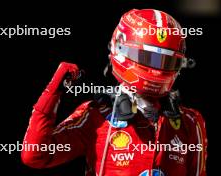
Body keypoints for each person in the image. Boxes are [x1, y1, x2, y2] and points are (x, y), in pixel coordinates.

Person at [21, 9, 207, 176]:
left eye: (166, 62)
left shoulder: (190, 122)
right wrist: (52, 94)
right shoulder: (96, 116)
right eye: (148, 57)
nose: (157, 71)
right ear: (120, 50)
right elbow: (35, 155)